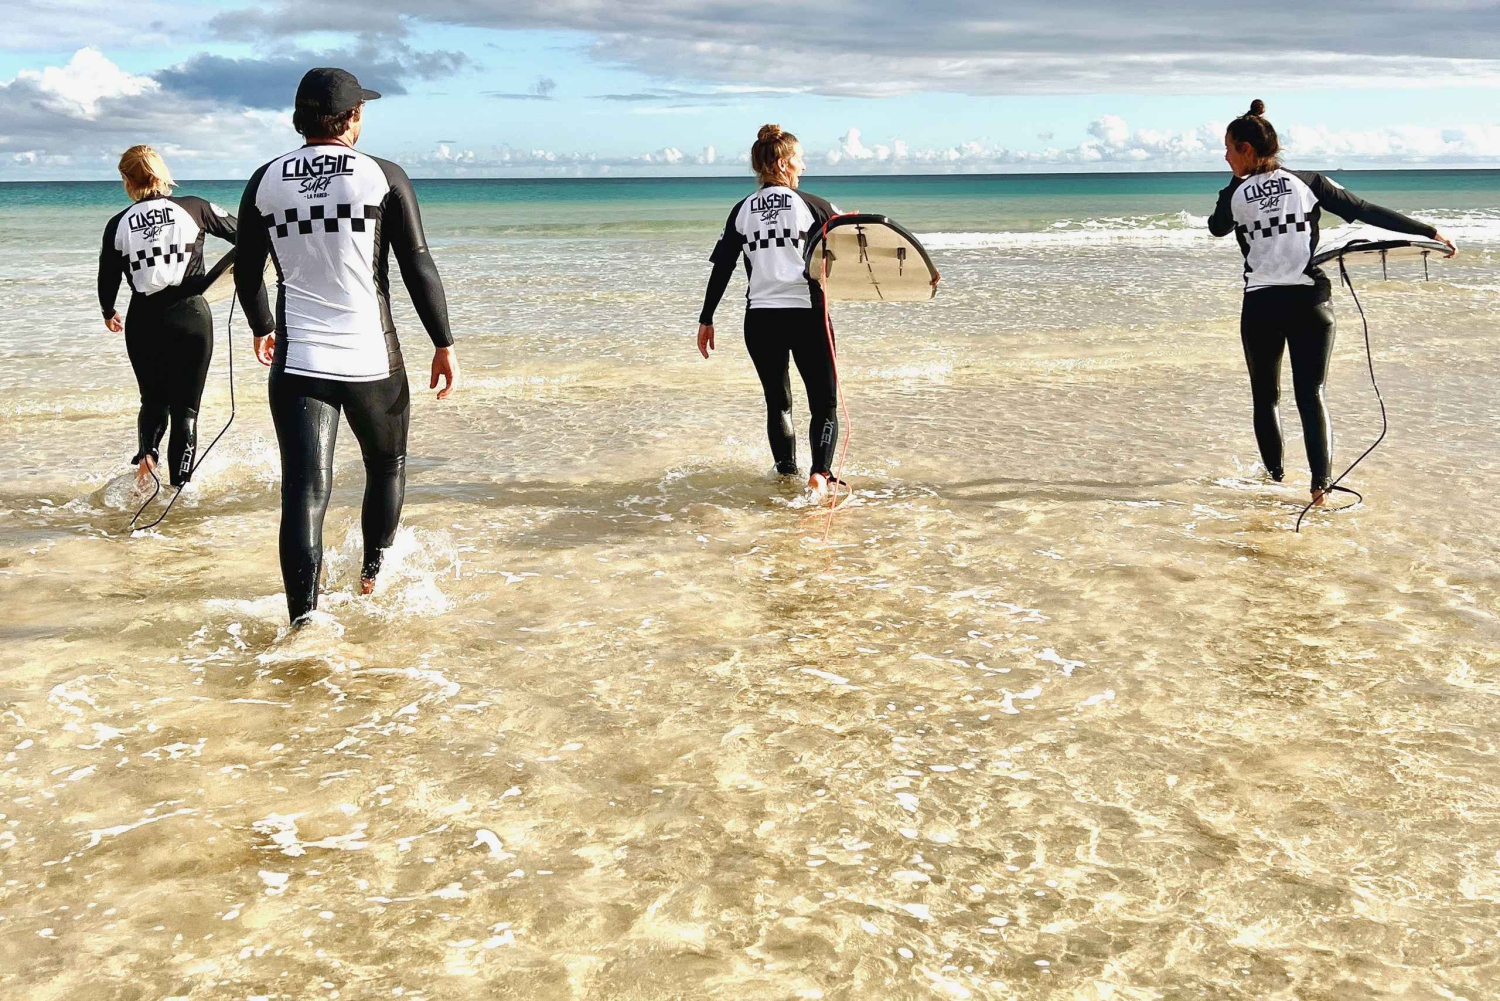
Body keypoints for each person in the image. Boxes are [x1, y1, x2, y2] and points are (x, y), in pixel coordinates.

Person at [235, 67, 458, 624]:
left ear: (301, 117)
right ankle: (371, 579)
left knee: (305, 491)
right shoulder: (382, 176)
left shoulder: (265, 179)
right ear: (353, 117)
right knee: (387, 467)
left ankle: (303, 621)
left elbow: (246, 270)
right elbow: (417, 264)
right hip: (371, 357)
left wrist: (263, 325)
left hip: (299, 359)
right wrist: (443, 341)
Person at [1208, 100, 1455, 504]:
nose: (1225, 156)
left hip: (1262, 306)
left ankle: (1273, 481)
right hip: (1311, 304)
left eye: (1229, 149)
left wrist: (1237, 184)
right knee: (1312, 393)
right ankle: (1320, 486)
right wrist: (1428, 231)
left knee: (1266, 397)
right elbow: (1363, 211)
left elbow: (1218, 228)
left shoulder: (1234, 193)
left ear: (1247, 150)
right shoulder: (1309, 181)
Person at [696, 124, 843, 499]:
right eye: (799, 158)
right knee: (823, 403)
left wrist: (706, 318)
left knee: (778, 403)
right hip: (806, 316)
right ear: (782, 163)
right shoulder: (815, 206)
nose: (804, 166)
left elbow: (723, 266)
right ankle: (819, 476)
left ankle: (785, 478)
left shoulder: (741, 210)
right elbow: (854, 246)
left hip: (760, 319)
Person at [98, 145, 253, 489]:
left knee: (152, 400)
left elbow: (107, 278)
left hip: (144, 322)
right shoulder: (194, 207)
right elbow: (246, 236)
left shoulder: (117, 224)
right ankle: (179, 490)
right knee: (186, 411)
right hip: (191, 318)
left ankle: (147, 461)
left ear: (126, 179)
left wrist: (108, 312)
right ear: (162, 172)